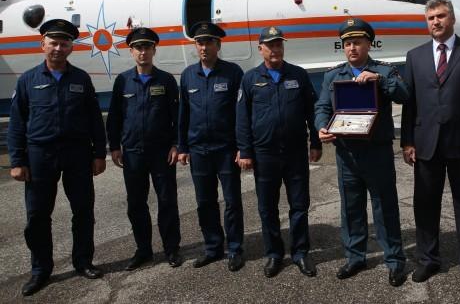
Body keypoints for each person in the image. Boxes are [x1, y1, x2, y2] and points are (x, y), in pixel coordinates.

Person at [7, 19, 107, 296]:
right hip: (40, 155)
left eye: (64, 44)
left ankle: (83, 262)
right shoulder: (28, 80)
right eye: (53, 43)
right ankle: (40, 270)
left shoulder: (81, 79)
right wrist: (17, 161)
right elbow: (17, 123)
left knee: (83, 211)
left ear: (71, 47)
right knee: (38, 215)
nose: (58, 48)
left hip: (77, 154)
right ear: (43, 45)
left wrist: (99, 154)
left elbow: (94, 119)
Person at [401, 0, 460, 290]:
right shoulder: (415, 56)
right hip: (425, 144)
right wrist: (407, 141)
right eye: (431, 18)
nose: (436, 22)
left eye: (440, 16)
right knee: (425, 205)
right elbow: (410, 104)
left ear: (451, 19)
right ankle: (428, 259)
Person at [315, 18, 409, 287]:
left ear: (369, 44)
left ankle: (394, 260)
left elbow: (404, 95)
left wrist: (379, 80)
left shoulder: (384, 71)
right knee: (351, 208)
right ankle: (355, 257)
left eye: (357, 42)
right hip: (347, 154)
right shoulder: (333, 76)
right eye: (347, 44)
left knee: (385, 208)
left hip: (377, 153)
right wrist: (322, 127)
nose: (352, 48)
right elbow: (322, 107)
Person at [236, 26, 322, 278]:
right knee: (267, 208)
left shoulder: (299, 75)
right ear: (260, 48)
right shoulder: (250, 79)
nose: (275, 49)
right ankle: (274, 254)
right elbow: (242, 119)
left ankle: (300, 252)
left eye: (279, 44)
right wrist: (245, 151)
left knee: (299, 205)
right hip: (264, 154)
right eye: (270, 45)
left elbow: (312, 110)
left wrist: (316, 142)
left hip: (295, 152)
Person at [106, 27, 182, 271]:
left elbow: (177, 117)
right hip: (133, 153)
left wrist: (176, 144)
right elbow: (115, 117)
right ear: (131, 51)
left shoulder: (166, 80)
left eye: (147, 47)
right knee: (136, 204)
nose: (143, 52)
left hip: (162, 153)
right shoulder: (123, 81)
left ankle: (171, 248)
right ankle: (143, 250)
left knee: (167, 201)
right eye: (138, 48)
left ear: (154, 50)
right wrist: (114, 146)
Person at [178, 22, 245, 271]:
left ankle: (235, 248)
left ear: (218, 45)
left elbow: (241, 113)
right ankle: (213, 247)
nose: (204, 47)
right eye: (199, 42)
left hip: (226, 150)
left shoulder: (233, 73)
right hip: (199, 151)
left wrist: (243, 147)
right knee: (205, 202)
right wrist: (182, 147)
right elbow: (183, 114)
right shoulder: (188, 75)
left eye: (208, 42)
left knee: (232, 201)